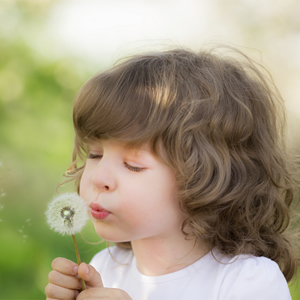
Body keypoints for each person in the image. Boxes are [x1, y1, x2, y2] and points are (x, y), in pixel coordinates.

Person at [45, 45, 299, 300]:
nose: (99, 178)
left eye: (133, 165)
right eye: (95, 154)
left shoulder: (247, 281)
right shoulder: (104, 268)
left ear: (206, 179)